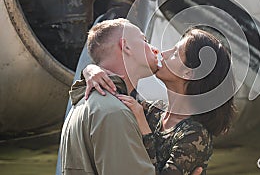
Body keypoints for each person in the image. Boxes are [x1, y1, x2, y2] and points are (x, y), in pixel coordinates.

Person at [59, 18, 204, 175]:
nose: (157, 51)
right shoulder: (115, 112)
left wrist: (90, 69)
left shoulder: (83, 103)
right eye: (144, 40)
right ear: (126, 46)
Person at [83, 28, 236, 175]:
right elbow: (114, 92)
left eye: (175, 53)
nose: (164, 53)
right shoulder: (153, 110)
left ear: (188, 73)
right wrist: (91, 70)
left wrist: (144, 127)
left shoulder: (195, 135)